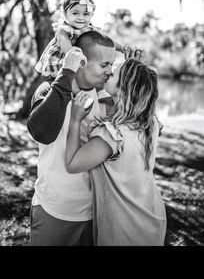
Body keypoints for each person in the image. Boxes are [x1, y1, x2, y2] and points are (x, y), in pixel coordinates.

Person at [27, 30, 117, 245]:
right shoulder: (48, 90)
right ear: (82, 62)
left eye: (112, 65)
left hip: (93, 212)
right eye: (104, 65)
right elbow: (41, 133)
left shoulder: (105, 101)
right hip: (54, 210)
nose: (110, 72)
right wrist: (67, 72)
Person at [65, 58, 167, 246]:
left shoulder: (112, 136)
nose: (108, 72)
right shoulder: (150, 124)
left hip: (124, 229)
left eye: (114, 73)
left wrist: (75, 121)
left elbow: (72, 163)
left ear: (123, 90)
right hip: (151, 218)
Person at [35, 0, 127, 85]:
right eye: (75, 13)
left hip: (76, 65)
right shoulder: (65, 29)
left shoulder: (90, 29)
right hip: (58, 64)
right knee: (56, 83)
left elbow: (105, 39)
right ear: (65, 14)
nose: (81, 17)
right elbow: (62, 39)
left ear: (92, 15)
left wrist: (121, 48)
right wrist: (72, 53)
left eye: (86, 14)